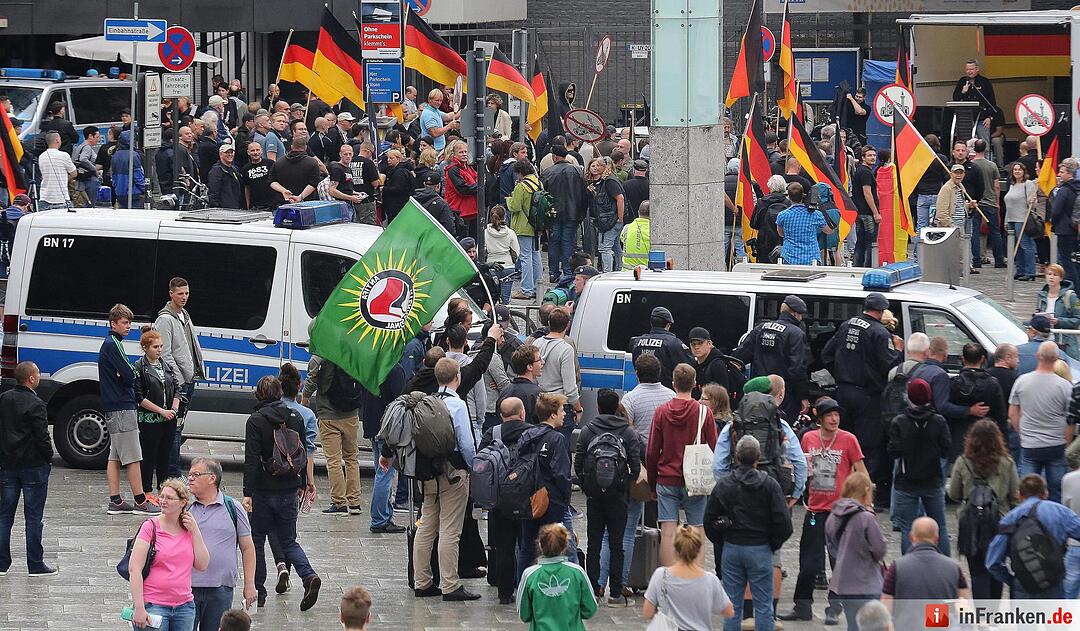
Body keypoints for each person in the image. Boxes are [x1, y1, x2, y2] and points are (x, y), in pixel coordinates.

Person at [394, 358, 481, 601]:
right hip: (453, 474)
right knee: (450, 530)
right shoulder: (458, 405)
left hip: (427, 475)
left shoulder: (426, 403)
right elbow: (465, 443)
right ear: (458, 377)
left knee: (426, 526)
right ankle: (450, 584)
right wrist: (473, 468)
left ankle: (422, 582)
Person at [779, 397, 866, 623]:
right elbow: (796, 465)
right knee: (808, 562)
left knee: (839, 562)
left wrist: (867, 503)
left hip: (842, 512)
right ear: (820, 418)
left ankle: (835, 607)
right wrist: (794, 493)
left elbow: (861, 472)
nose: (835, 419)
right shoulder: (808, 438)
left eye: (837, 415)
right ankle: (802, 606)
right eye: (830, 415)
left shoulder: (849, 440)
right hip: (816, 509)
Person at [242, 376, 320, 611]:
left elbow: (251, 459)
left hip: (264, 490)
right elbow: (301, 452)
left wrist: (248, 492)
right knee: (288, 540)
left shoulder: (255, 420)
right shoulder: (295, 416)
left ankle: (260, 592)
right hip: (289, 488)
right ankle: (308, 576)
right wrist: (305, 482)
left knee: (256, 541)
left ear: (258, 394)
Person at [705, 435, 792, 631]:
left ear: (736, 456)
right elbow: (785, 523)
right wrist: (772, 543)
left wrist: (723, 539)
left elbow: (709, 520)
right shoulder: (769, 485)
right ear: (758, 457)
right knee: (763, 606)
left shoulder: (724, 485)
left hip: (733, 547)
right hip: (760, 547)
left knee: (732, 605)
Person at [823, 293, 904, 501]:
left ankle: (836, 488)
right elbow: (891, 367)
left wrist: (842, 374)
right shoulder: (880, 332)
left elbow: (827, 354)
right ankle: (861, 494)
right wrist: (898, 351)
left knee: (840, 442)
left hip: (843, 392)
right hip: (868, 396)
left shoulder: (846, 325)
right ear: (881, 311)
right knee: (866, 446)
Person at [574, 388, 642, 607]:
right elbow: (635, 464)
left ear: (599, 406)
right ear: (616, 407)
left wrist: (586, 485)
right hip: (618, 496)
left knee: (593, 543)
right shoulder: (628, 432)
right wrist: (625, 485)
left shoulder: (588, 430)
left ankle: (593, 590)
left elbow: (579, 462)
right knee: (617, 543)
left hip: (594, 496)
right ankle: (615, 593)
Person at [647, 364, 718, 566]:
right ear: (695, 384)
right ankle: (696, 575)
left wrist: (653, 484)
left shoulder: (661, 412)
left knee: (668, 532)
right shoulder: (704, 413)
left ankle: (668, 577)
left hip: (666, 477)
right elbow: (714, 448)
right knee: (697, 529)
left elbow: (652, 451)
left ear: (673, 384)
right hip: (694, 480)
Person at [947, 419, 1019, 600]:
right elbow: (1014, 497)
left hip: (970, 522)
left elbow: (954, 493)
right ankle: (994, 618)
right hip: (999, 521)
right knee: (996, 567)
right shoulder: (1007, 463)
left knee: (977, 572)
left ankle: (982, 619)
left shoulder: (963, 462)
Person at [127, 478, 210, 631]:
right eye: (162, 496)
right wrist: (139, 607)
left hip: (184, 607)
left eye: (169, 498)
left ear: (183, 502)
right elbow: (134, 569)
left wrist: (196, 531)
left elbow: (202, 564)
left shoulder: (189, 529)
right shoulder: (150, 527)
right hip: (153, 605)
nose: (163, 501)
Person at [186, 458, 256, 629]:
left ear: (212, 478)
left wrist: (249, 584)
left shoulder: (233, 507)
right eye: (189, 475)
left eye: (196, 474)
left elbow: (247, 548)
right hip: (186, 588)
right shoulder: (185, 507)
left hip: (220, 589)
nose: (190, 479)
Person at [101, 304, 158, 516]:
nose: (128, 327)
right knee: (133, 455)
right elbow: (130, 373)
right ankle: (141, 501)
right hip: (122, 406)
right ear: (113, 323)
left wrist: (124, 375)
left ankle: (115, 500)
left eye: (129, 323)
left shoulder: (111, 343)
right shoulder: (113, 344)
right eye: (124, 323)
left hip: (112, 405)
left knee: (115, 456)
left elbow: (124, 373)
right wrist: (128, 376)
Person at [0, 361, 55, 576]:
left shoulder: (4, 399)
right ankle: (35, 563)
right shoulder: (37, 403)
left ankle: (2, 563)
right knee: (33, 517)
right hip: (33, 465)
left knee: (5, 515)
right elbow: (42, 437)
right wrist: (48, 457)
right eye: (38, 373)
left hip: (8, 464)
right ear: (31, 378)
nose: (40, 376)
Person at [987, 473, 1080, 599]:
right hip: (1053, 583)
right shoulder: (1060, 512)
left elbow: (992, 563)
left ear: (1019, 494)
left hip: (1023, 586)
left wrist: (1012, 581)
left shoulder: (1009, 519)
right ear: (1045, 493)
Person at [887, 378, 951, 556]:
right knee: (940, 525)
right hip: (933, 478)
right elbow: (946, 450)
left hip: (907, 480)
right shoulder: (939, 421)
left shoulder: (900, 421)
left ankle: (909, 565)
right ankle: (945, 566)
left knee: (908, 527)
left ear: (909, 397)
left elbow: (893, 452)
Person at [478, 397, 531, 603]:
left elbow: (481, 460)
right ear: (523, 413)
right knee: (526, 544)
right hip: (525, 496)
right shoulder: (532, 432)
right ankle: (525, 587)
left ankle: (504, 593)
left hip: (500, 497)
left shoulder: (493, 433)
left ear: (501, 415)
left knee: (504, 547)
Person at [516, 393, 573, 576]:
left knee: (527, 547)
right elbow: (561, 473)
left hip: (529, 498)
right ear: (553, 414)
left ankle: (523, 586)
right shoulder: (557, 439)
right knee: (552, 547)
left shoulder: (526, 435)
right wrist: (565, 499)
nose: (565, 414)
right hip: (551, 500)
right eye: (562, 410)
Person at [154, 278, 205, 479]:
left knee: (179, 426)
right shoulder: (165, 319)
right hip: (180, 382)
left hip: (188, 379)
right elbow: (164, 353)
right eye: (180, 293)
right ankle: (172, 473)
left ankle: (172, 471)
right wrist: (178, 380)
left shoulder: (184, 315)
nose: (184, 297)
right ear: (171, 294)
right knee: (174, 428)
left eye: (186, 293)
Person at [1009, 341, 1073, 502]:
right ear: (1057, 358)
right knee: (1056, 491)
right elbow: (1070, 419)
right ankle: (1053, 523)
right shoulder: (1065, 386)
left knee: (1028, 491)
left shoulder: (1022, 381)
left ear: (1038, 356)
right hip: (1056, 444)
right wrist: (1066, 442)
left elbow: (1013, 412)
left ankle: (1029, 521)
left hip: (1030, 444)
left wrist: (1021, 432)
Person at [824, 472, 886, 631]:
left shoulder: (833, 515)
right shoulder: (866, 518)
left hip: (843, 584)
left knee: (853, 624)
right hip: (866, 583)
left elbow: (831, 546)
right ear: (866, 490)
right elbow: (879, 550)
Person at [880, 517, 970, 627]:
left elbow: (885, 610)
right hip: (939, 625)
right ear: (937, 539)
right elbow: (964, 604)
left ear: (911, 537)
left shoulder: (897, 567)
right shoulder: (954, 567)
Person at [733, 295, 810, 421]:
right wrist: (803, 396)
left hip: (757, 392)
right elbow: (797, 370)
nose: (801, 318)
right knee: (780, 429)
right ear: (795, 314)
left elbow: (739, 357)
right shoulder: (796, 333)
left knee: (756, 426)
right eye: (801, 315)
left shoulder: (760, 329)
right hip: (783, 395)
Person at [643, 525, 734, 631]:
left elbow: (647, 613)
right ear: (698, 549)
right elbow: (729, 611)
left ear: (675, 548)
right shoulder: (710, 580)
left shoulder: (661, 575)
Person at [302, 353, 361, 516]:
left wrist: (304, 399)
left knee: (333, 461)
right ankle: (355, 502)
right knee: (352, 458)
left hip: (328, 416)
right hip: (351, 414)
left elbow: (311, 382)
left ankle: (339, 502)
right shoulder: (350, 351)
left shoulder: (318, 358)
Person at [516, 523, 596, 630]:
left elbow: (524, 614)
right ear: (566, 545)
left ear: (540, 544)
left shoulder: (530, 575)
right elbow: (590, 609)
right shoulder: (577, 572)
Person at [133, 328, 181, 496]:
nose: (159, 350)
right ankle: (146, 491)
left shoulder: (166, 365)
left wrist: (173, 409)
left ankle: (163, 489)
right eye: (155, 347)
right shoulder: (139, 367)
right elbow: (139, 397)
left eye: (161, 346)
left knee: (165, 456)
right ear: (145, 348)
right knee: (148, 456)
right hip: (150, 419)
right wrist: (161, 411)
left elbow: (177, 388)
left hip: (168, 418)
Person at [532, 307, 582, 444]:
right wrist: (578, 409)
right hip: (559, 406)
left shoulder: (537, 344)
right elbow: (570, 389)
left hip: (541, 403)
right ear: (568, 325)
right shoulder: (566, 349)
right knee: (560, 451)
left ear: (548, 323)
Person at [541, 145, 587, 280]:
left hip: (554, 213)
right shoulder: (577, 171)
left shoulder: (548, 172)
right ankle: (567, 272)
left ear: (554, 157)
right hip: (572, 213)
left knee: (554, 243)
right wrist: (581, 213)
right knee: (568, 242)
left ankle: (553, 273)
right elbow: (583, 194)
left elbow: (543, 195)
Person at [630, 306, 695, 390]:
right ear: (668, 325)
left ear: (651, 323)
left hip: (642, 390)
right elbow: (688, 366)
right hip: (667, 392)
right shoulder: (673, 343)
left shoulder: (637, 342)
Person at [507, 159, 543, 301]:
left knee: (525, 257)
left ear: (520, 172)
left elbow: (515, 207)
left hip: (523, 225)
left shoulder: (522, 186)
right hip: (536, 224)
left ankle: (526, 289)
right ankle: (538, 287)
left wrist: (509, 199)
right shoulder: (538, 183)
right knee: (536, 255)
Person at [969, 139, 1005, 269]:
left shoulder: (971, 165)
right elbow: (996, 186)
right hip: (990, 203)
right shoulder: (992, 166)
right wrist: (997, 201)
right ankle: (999, 260)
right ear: (986, 150)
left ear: (974, 149)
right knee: (995, 232)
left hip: (976, 203)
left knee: (975, 233)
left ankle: (977, 260)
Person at [586, 157, 626, 273]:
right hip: (608, 219)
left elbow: (620, 198)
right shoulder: (603, 182)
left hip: (609, 220)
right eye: (594, 165)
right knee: (616, 247)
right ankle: (620, 269)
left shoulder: (609, 181)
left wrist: (620, 218)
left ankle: (608, 273)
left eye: (598, 165)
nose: (596, 168)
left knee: (604, 248)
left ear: (605, 167)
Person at [952, 60, 998, 153]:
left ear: (977, 69)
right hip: (966, 119)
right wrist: (963, 92)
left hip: (982, 117)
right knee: (965, 143)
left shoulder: (985, 82)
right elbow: (955, 98)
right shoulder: (962, 81)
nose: (969, 71)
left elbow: (992, 101)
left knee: (984, 143)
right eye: (967, 69)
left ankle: (985, 163)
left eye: (971, 69)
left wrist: (990, 117)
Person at [1037, 263, 1080, 360]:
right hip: (1045, 341)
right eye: (1049, 274)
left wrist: (1059, 321)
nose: (1051, 277)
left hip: (1064, 342)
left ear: (1061, 278)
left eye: (1055, 275)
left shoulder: (1071, 296)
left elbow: (1078, 318)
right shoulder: (1041, 296)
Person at [1005, 161, 1039, 281]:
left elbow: (1033, 203)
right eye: (1015, 170)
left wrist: (1032, 201)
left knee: (1025, 245)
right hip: (1011, 219)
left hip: (1022, 219)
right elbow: (1008, 204)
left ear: (1024, 171)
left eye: (1019, 169)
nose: (1017, 172)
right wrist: (1006, 220)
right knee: (1016, 246)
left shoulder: (1028, 184)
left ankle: (1030, 272)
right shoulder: (1012, 185)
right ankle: (1020, 270)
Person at [268, 135, 322, 210]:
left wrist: (284, 191)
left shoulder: (278, 162)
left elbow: (272, 181)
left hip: (283, 204)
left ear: (291, 147)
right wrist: (300, 197)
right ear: (306, 147)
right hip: (308, 204)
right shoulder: (312, 162)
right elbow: (313, 183)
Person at [1050, 157, 1080, 284]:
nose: (1059, 175)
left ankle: (1073, 289)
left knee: (1066, 261)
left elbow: (1056, 211)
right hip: (1075, 227)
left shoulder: (1065, 190)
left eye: (1062, 172)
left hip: (1064, 229)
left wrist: (1054, 223)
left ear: (1069, 173)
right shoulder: (1077, 188)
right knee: (1075, 261)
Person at [499, 343, 543, 423]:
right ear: (530, 366)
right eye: (539, 360)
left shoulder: (505, 391)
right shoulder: (536, 393)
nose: (542, 362)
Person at [851, 146, 879, 267]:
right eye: (869, 155)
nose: (873, 158)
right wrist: (876, 212)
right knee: (869, 243)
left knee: (860, 242)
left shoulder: (860, 171)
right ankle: (867, 268)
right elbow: (867, 193)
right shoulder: (866, 173)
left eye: (874, 155)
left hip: (859, 212)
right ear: (863, 158)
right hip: (867, 213)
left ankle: (857, 267)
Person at [485, 206, 519, 304]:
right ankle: (505, 317)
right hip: (508, 267)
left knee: (490, 299)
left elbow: (480, 252)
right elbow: (516, 252)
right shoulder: (511, 233)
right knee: (505, 300)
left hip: (492, 266)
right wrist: (512, 261)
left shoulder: (486, 233)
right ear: (505, 217)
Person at [444, 140, 479, 238]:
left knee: (473, 242)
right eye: (461, 152)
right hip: (461, 212)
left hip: (472, 210)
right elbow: (463, 189)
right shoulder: (453, 169)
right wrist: (480, 186)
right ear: (454, 155)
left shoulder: (467, 166)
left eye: (465, 152)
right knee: (464, 242)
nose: (464, 154)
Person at [36, 131, 76, 210]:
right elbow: (74, 173)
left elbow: (42, 176)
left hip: (44, 198)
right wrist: (66, 178)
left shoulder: (41, 156)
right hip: (61, 199)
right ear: (57, 140)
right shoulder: (64, 155)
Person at [688, 327, 731, 396]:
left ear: (709, 343)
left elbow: (723, 396)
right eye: (693, 344)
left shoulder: (717, 365)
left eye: (700, 343)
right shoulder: (695, 364)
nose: (696, 347)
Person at [381, 149, 416, 223]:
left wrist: (384, 189)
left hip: (398, 205)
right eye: (388, 158)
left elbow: (398, 189)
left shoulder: (399, 172)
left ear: (398, 159)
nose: (388, 160)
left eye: (391, 158)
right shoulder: (395, 170)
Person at [241, 142, 275, 210]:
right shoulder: (245, 169)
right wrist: (247, 205)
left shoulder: (270, 163)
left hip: (271, 205)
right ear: (248, 152)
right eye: (252, 150)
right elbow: (247, 188)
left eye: (257, 150)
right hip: (255, 206)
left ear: (261, 151)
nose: (255, 152)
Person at [620, 200, 651, 268]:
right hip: (647, 273)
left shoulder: (626, 228)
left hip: (626, 272)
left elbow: (622, 240)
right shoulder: (653, 231)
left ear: (638, 212)